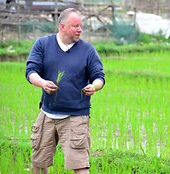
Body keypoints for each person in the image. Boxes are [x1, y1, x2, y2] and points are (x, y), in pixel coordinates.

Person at [25, 8, 105, 174]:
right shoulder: (43, 44)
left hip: (76, 116)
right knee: (38, 163)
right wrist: (42, 83)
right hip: (47, 113)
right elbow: (31, 71)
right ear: (62, 27)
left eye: (81, 26)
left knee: (80, 165)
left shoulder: (88, 50)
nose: (80, 29)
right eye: (75, 26)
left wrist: (94, 86)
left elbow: (99, 76)